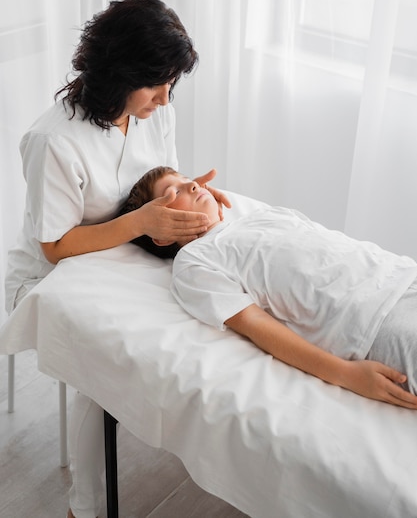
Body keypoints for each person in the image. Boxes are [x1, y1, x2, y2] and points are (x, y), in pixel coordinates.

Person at [5, 0, 230, 518]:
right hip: (54, 276)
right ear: (120, 72)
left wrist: (188, 195)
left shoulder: (151, 114)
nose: (166, 99)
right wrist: (144, 223)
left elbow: (158, 183)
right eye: (157, 84)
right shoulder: (53, 141)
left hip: (127, 254)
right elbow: (55, 246)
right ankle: (85, 508)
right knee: (103, 366)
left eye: (172, 83)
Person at [120, 165, 417, 410]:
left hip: (400, 273)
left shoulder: (262, 215)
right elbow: (255, 323)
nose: (194, 187)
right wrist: (346, 374)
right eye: (174, 192)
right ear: (159, 233)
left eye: (189, 182)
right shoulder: (194, 261)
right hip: (373, 323)